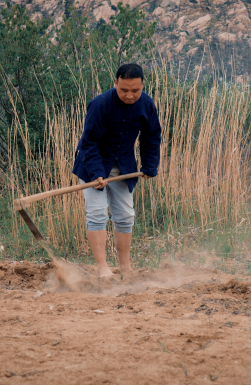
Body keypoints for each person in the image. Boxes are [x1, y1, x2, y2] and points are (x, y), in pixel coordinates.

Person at [72, 63, 161, 278]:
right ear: (115, 84)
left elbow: (151, 136)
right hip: (93, 165)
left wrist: (150, 165)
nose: (130, 95)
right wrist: (96, 173)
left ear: (142, 87)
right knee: (96, 215)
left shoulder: (147, 104)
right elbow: (89, 142)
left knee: (125, 216)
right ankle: (103, 268)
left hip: (124, 167)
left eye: (135, 91)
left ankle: (125, 268)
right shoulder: (100, 104)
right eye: (124, 90)